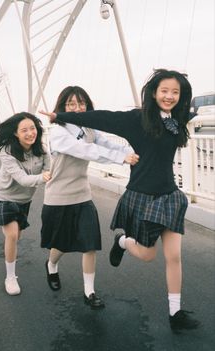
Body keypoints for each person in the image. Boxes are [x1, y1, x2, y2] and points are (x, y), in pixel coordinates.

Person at [39, 69, 200, 329]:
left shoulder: (177, 121)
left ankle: (175, 313)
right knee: (148, 255)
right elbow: (102, 118)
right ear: (154, 93)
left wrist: (126, 151)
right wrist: (60, 116)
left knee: (174, 257)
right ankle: (123, 242)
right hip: (141, 195)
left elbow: (114, 142)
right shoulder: (136, 119)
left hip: (169, 196)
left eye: (175, 92)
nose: (169, 96)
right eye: (164, 91)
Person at [39, 86, 139, 309]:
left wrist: (130, 151)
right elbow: (86, 151)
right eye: (71, 104)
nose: (77, 108)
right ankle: (51, 265)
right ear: (63, 107)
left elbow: (106, 143)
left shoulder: (89, 128)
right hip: (59, 196)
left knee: (89, 243)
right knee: (61, 244)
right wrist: (119, 158)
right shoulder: (58, 131)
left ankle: (89, 292)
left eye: (81, 103)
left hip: (82, 194)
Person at [0, 112, 51, 296]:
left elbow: (50, 170)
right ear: (16, 133)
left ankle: (9, 233)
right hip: (3, 196)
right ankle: (10, 277)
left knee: (16, 236)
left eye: (33, 128)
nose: (30, 133)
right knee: (13, 235)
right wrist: (43, 177)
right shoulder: (7, 151)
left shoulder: (42, 149)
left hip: (24, 200)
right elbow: (23, 179)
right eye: (24, 130)